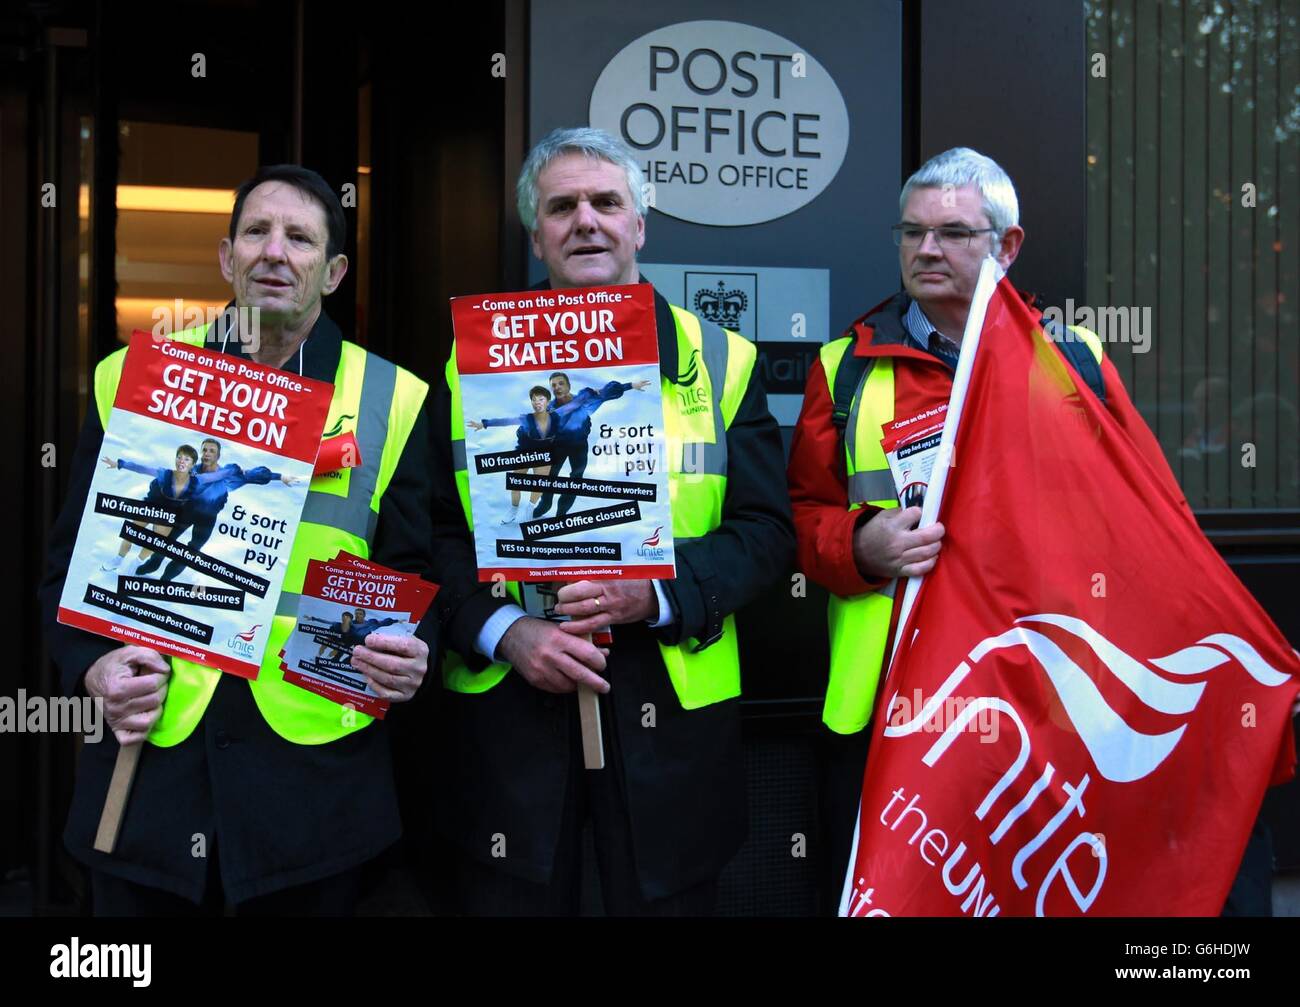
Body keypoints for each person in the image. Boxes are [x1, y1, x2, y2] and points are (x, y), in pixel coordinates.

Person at [786, 147, 1190, 914]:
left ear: (1007, 246)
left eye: (952, 233)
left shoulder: (1075, 357)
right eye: (912, 232)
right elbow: (801, 520)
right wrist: (861, 547)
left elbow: (1155, 523)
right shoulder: (846, 367)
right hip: (891, 710)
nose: (926, 249)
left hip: (1040, 704)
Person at [40, 164, 435, 915]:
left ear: (334, 270)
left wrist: (415, 645)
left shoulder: (394, 396)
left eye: (299, 237)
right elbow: (66, 568)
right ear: (226, 257)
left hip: (316, 801)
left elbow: (416, 571)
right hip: (147, 776)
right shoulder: (132, 378)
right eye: (256, 232)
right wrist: (92, 668)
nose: (274, 253)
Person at [430, 127, 794, 915]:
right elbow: (433, 536)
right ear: (536, 236)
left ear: (640, 225)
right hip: (509, 731)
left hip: (670, 736)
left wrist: (654, 592)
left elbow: (767, 534)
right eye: (562, 207)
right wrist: (503, 630)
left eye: (606, 202)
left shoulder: (722, 358)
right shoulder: (467, 365)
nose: (585, 221)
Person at [135, 438, 302, 582]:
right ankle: (152, 564)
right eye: (205, 450)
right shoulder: (190, 469)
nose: (207, 453)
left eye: (211, 451)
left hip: (207, 519)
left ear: (218, 455)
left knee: (191, 551)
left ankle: (166, 579)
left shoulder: (227, 473)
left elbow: (253, 474)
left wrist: (280, 477)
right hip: (186, 511)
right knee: (167, 540)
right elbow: (168, 479)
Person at [529, 372, 652, 519]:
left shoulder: (584, 400)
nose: (557, 387)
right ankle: (545, 504)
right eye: (554, 385)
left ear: (568, 385)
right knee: (550, 475)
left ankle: (562, 512)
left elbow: (607, 392)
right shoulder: (549, 409)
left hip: (579, 446)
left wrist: (631, 385)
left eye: (561, 383)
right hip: (558, 446)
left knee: (576, 478)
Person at [98, 445, 200, 572]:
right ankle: (118, 559)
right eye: (179, 457)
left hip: (168, 514)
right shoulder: (164, 473)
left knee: (156, 542)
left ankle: (135, 564)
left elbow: (216, 478)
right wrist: (119, 464)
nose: (181, 461)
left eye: (186, 459)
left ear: (193, 464)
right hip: (151, 506)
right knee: (131, 533)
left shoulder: (197, 481)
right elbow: (141, 469)